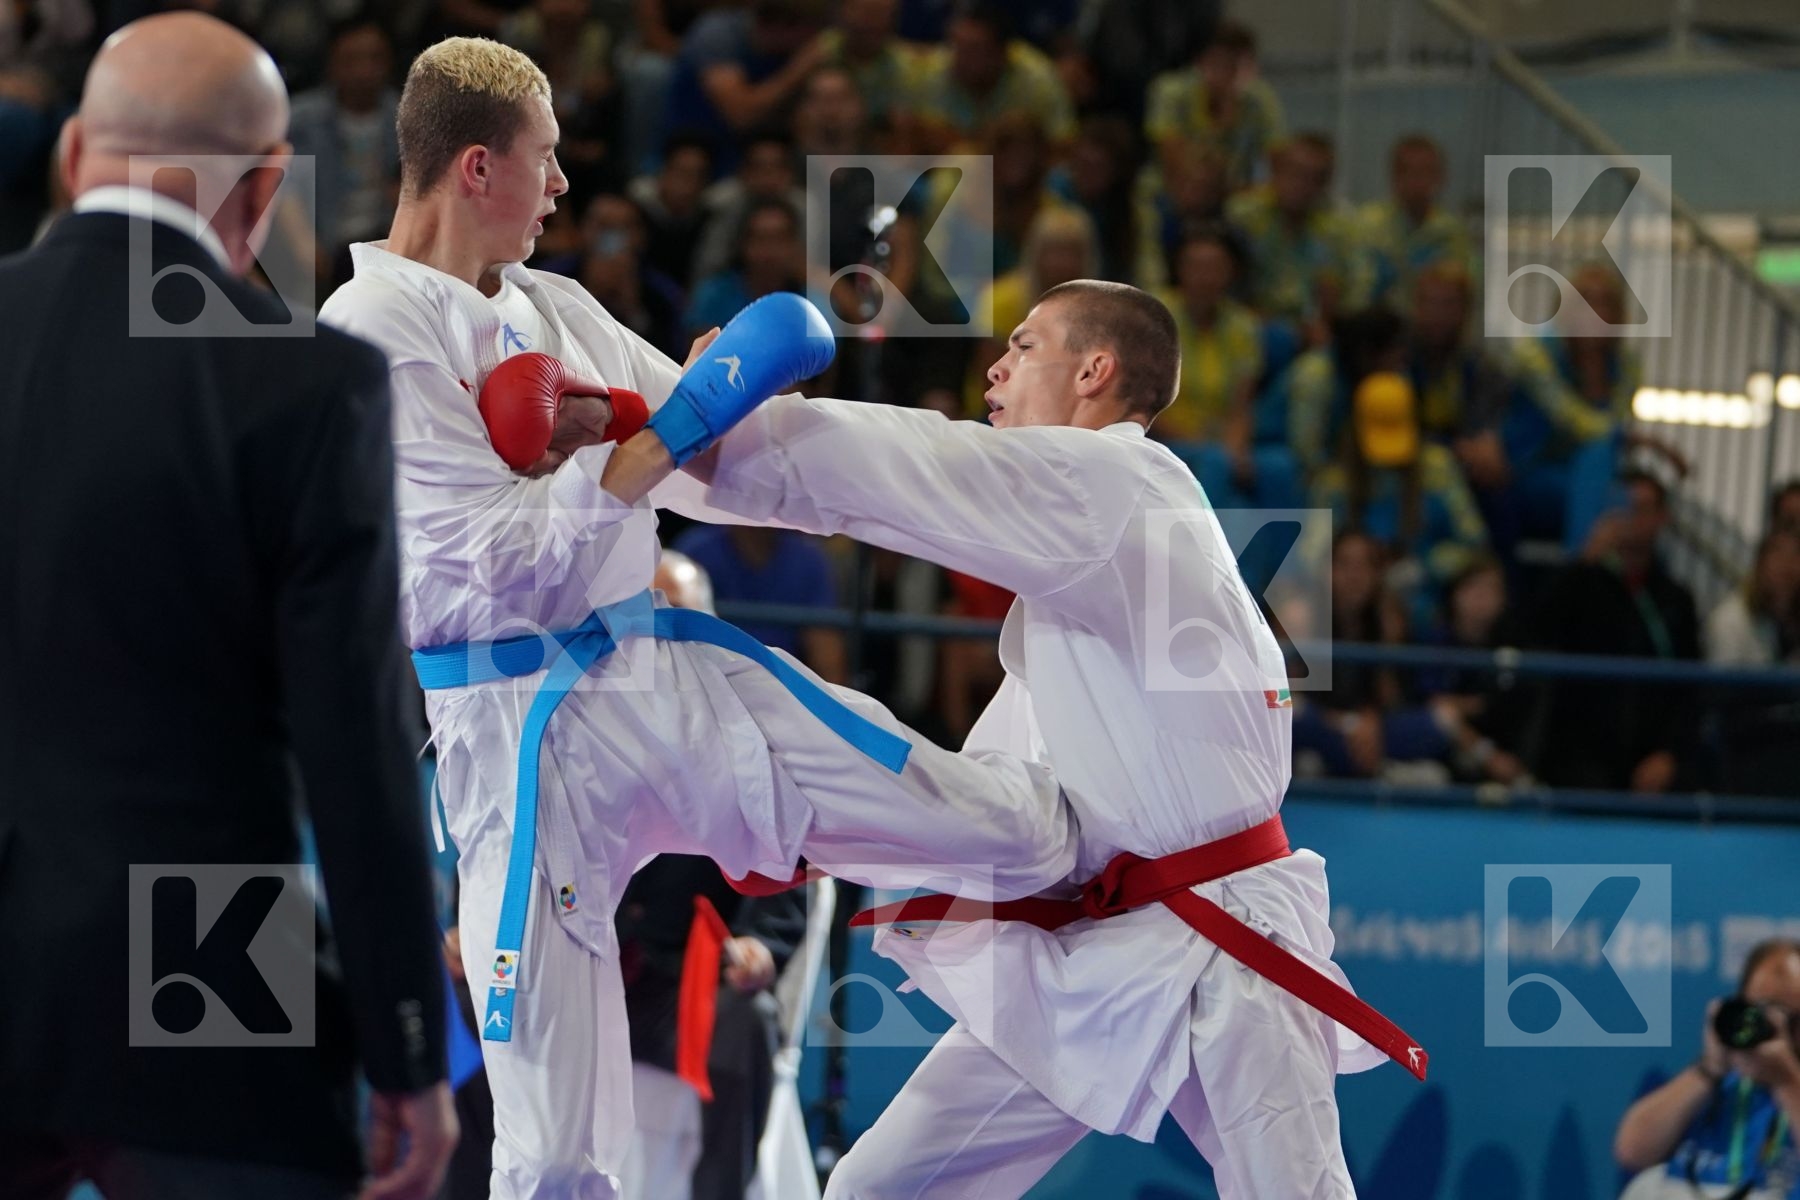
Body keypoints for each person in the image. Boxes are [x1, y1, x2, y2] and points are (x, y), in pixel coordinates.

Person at [317, 38, 1076, 1200]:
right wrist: (654, 441)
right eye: (548, 159)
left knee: (1004, 825)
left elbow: (695, 441)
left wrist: (733, 399)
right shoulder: (374, 326)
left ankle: (1189, 877)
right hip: (518, 742)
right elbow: (497, 563)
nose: (565, 184)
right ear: (478, 168)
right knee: (556, 1156)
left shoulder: (551, 302)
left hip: (656, 678)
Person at [696, 279, 1425, 1198]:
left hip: (1228, 938)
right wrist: (817, 826)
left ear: (1096, 370)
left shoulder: (1115, 485)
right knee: (876, 1190)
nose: (994, 367)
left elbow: (920, 469)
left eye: (1025, 345)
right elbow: (1001, 802)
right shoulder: (1082, 563)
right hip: (1105, 943)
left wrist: (726, 425)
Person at [0, 13, 456, 1199]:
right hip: (209, 963)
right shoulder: (306, 382)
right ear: (262, 190)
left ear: (69, 155)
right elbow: (355, 744)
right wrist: (409, 1052)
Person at [1531, 469, 1701, 792]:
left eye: (1642, 509)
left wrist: (1669, 754)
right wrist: (1584, 561)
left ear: (1662, 518)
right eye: (1623, 508)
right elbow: (1537, 630)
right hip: (1580, 754)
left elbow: (1690, 686)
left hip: (1652, 754)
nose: (1630, 519)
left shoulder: (1675, 598)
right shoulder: (1581, 584)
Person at [1615, 939, 1800, 1199]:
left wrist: (1787, 1083)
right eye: (1762, 1011)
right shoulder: (1716, 1083)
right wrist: (1709, 1069)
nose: (1775, 1027)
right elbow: (1633, 1152)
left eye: (1792, 1018)